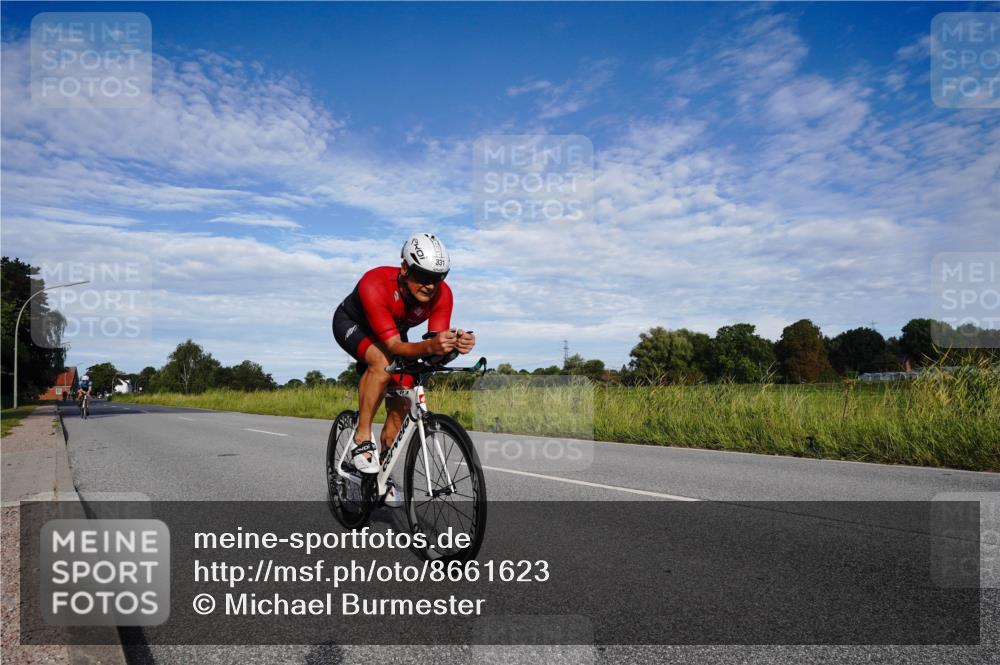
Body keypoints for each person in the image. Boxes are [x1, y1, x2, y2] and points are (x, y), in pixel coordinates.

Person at [332, 233, 476, 507]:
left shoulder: (442, 294)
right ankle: (362, 438)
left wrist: (454, 346)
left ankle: (382, 476)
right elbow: (395, 347)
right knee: (382, 363)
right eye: (423, 276)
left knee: (404, 394)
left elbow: (433, 348)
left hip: (393, 332)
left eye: (438, 277)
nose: (430, 285)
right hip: (353, 324)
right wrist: (431, 346)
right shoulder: (375, 283)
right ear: (405, 268)